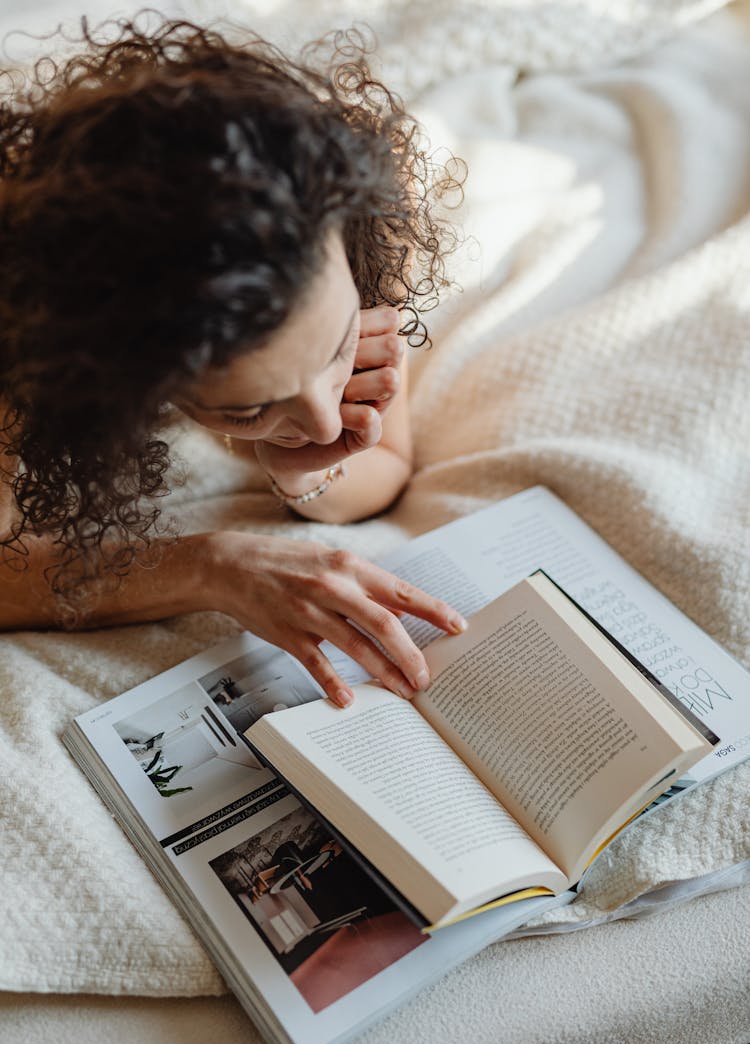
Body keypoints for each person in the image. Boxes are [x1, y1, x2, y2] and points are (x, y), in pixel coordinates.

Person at [0, 16, 467, 707]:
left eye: (339, 348)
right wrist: (213, 567)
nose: (318, 417)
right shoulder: (27, 327)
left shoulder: (338, 210)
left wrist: (300, 472)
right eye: (247, 406)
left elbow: (385, 463)